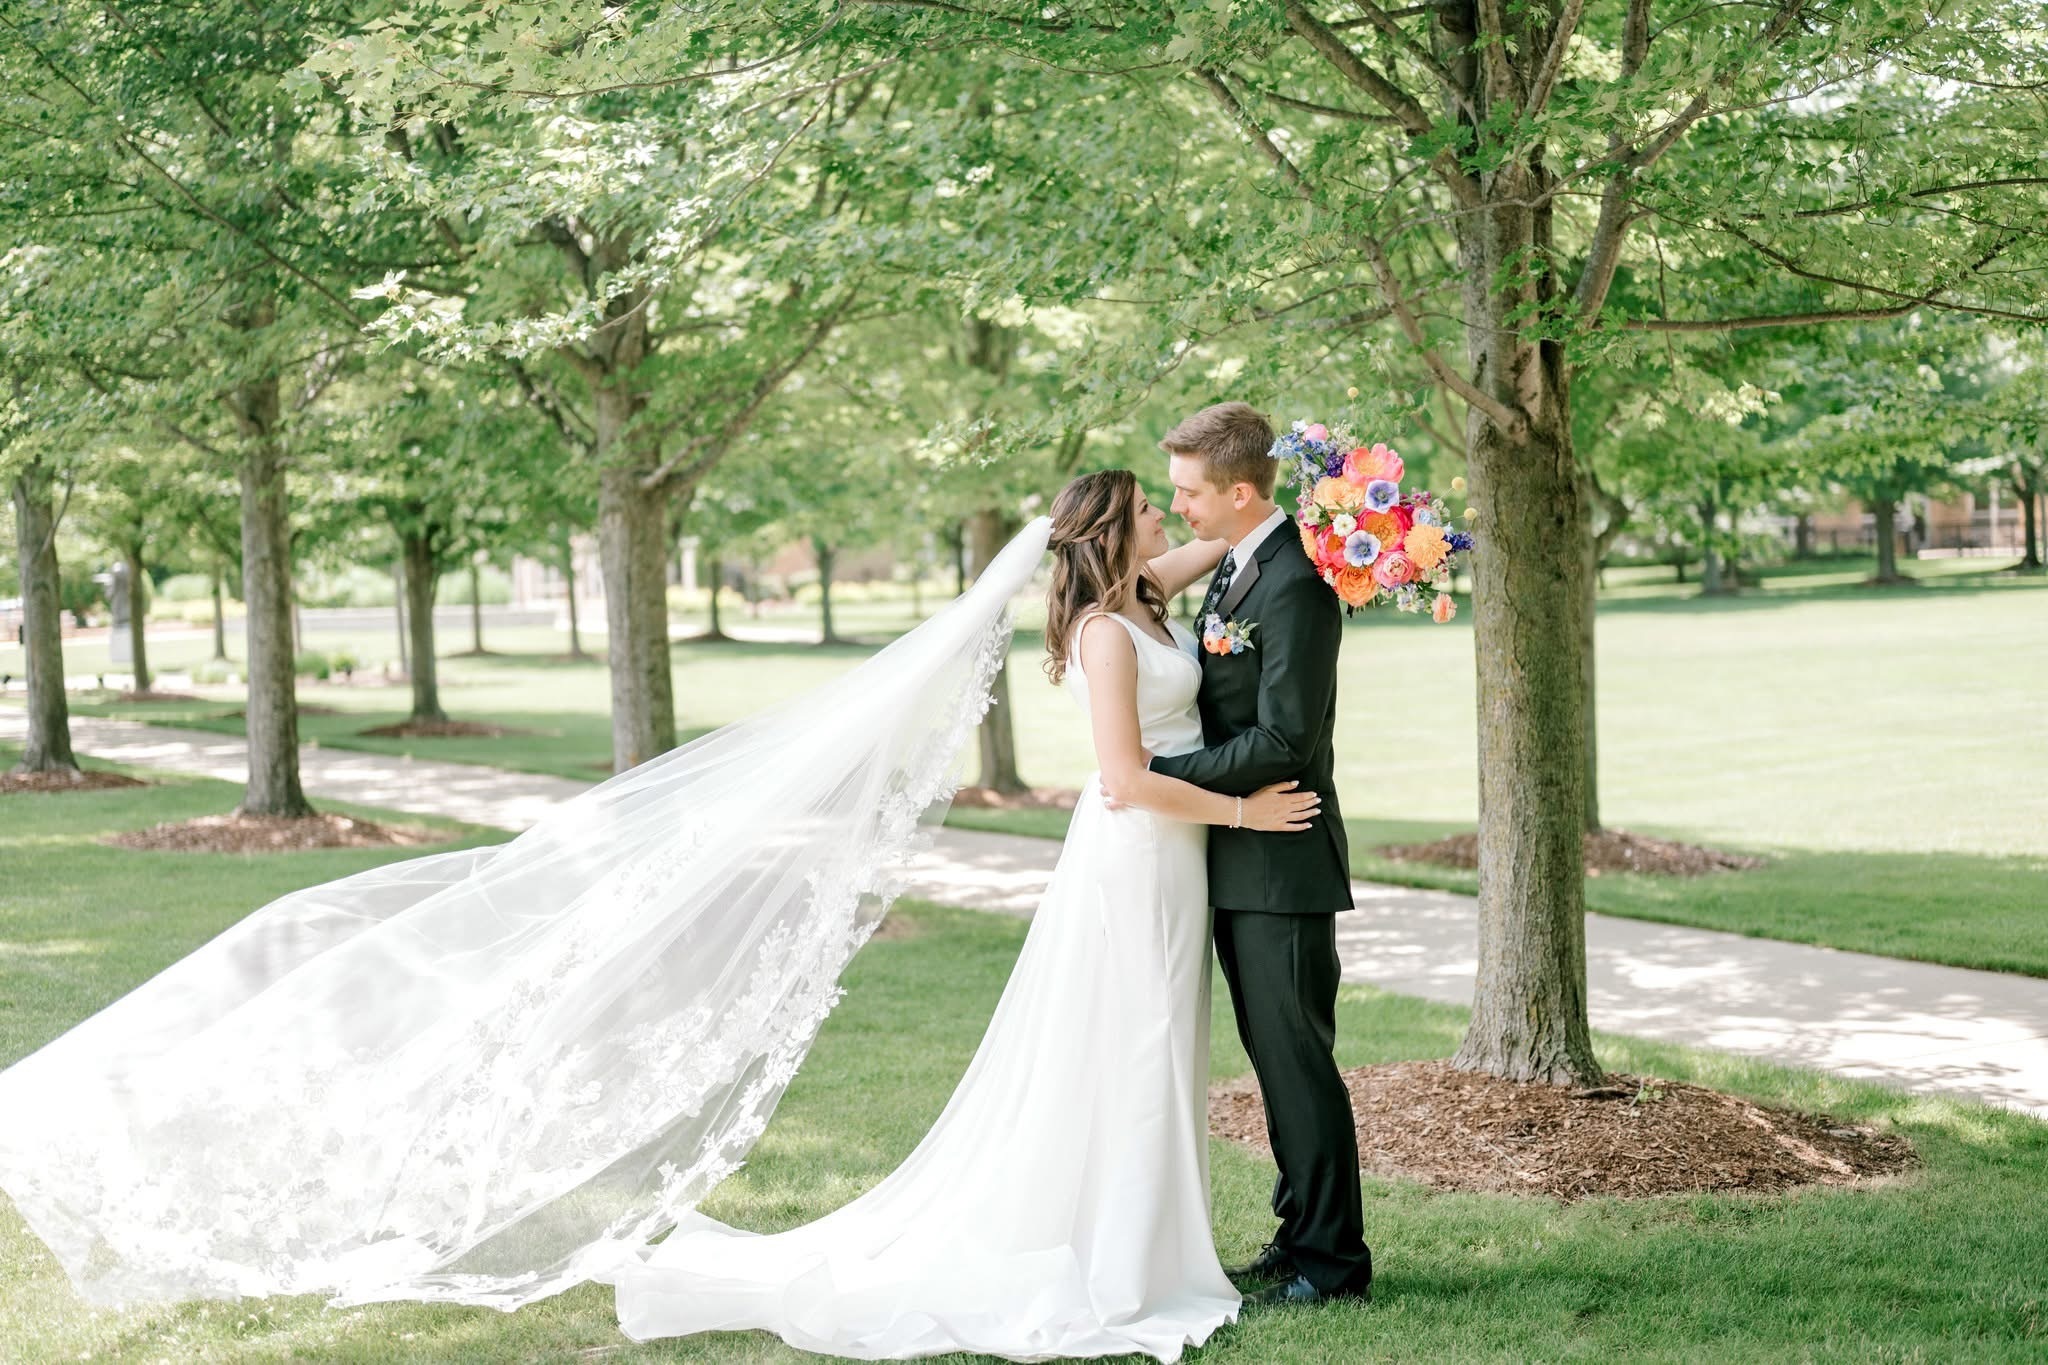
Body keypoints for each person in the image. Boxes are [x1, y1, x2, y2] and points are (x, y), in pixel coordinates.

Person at [610, 467, 1320, 1359]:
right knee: (1139, 1040)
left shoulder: (1146, 589)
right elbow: (1127, 780)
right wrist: (1247, 811)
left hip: (1178, 856)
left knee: (1166, 1040)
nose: (1164, 514)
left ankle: (1156, 1244)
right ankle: (1127, 1265)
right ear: (1110, 532)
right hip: (1140, 851)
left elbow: (1235, 529)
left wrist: (1323, 489)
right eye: (1147, 507)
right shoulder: (1105, 634)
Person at [1142, 401, 1373, 1306]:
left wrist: (1166, 771)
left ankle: (1333, 1263)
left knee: (1298, 1066)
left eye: (1190, 492)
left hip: (1283, 858)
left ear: (1241, 491)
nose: (1181, 506)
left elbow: (1281, 737)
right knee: (1275, 1065)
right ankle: (1297, 1234)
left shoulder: (1297, 583)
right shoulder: (1240, 562)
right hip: (1239, 858)